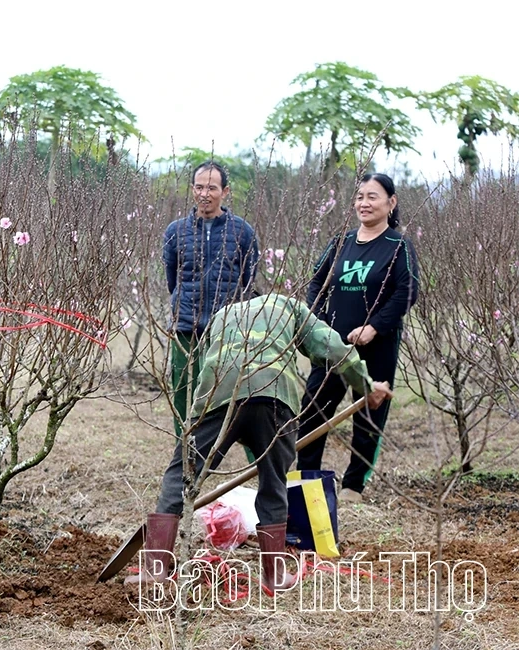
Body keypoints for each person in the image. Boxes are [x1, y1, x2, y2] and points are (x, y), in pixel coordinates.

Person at [127, 293, 393, 593]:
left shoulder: (222, 314)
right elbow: (332, 347)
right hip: (274, 395)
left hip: (217, 394)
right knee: (273, 483)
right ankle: (274, 576)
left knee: (181, 475)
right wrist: (366, 385)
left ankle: (155, 569)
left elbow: (202, 368)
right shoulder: (287, 305)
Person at [296, 173, 419, 503]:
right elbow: (316, 285)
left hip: (377, 346)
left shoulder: (398, 247)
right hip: (332, 347)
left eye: (373, 196)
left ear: (391, 203)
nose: (364, 203)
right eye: (360, 196)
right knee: (314, 408)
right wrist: (319, 326)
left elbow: (407, 292)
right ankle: (306, 478)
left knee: (368, 412)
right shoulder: (341, 243)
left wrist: (374, 326)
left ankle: (353, 486)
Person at [163, 161, 259, 439]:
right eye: (199, 187)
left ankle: (228, 447)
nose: (205, 193)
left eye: (212, 188)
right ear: (192, 189)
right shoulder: (175, 232)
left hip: (227, 331)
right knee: (183, 395)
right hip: (186, 328)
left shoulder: (243, 232)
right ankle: (184, 451)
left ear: (225, 191)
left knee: (233, 395)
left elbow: (248, 282)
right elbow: (173, 279)